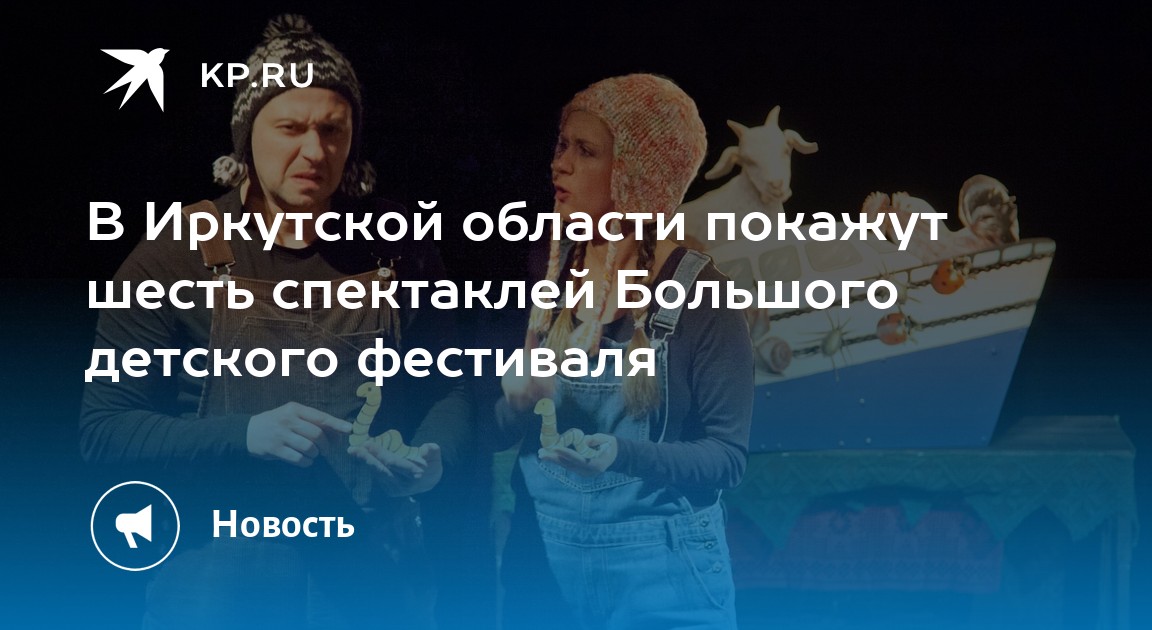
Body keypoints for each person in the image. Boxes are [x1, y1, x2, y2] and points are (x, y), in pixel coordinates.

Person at [79, 15, 471, 629]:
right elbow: (104, 431)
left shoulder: (397, 248)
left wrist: (432, 457)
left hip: (369, 576)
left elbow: (447, 389)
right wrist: (244, 435)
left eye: (332, 130)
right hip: (218, 582)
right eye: (290, 128)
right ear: (247, 137)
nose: (314, 151)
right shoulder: (175, 253)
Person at [496, 73, 754, 629]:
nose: (559, 164)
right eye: (562, 144)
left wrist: (621, 454)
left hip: (663, 577)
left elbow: (727, 458)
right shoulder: (547, 274)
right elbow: (496, 433)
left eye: (585, 151)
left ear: (639, 177)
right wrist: (512, 403)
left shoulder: (701, 296)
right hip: (543, 568)